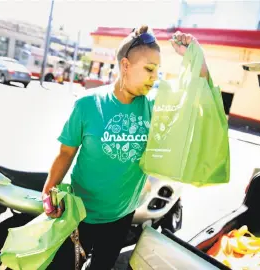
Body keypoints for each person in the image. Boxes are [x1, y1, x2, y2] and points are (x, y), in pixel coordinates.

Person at [42, 25, 209, 270]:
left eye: (158, 70)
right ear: (125, 66)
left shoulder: (154, 106)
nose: (155, 77)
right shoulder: (88, 105)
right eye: (149, 69)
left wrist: (195, 54)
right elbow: (66, 152)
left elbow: (198, 90)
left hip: (122, 216)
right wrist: (49, 190)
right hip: (79, 214)